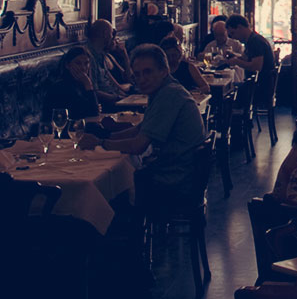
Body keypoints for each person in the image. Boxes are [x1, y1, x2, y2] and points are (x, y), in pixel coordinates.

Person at [79, 43, 205, 207]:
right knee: (118, 176)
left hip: (176, 180)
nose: (142, 80)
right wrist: (106, 136)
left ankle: (126, 229)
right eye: (137, 75)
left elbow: (138, 145)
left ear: (164, 70)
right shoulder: (163, 90)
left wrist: (100, 143)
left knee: (114, 188)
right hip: (183, 171)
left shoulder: (169, 95)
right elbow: (140, 129)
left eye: (148, 72)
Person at [227, 14, 276, 106]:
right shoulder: (253, 39)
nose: (233, 37)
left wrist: (236, 62)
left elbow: (256, 67)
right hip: (260, 85)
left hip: (260, 88)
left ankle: (235, 118)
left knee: (228, 94)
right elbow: (249, 60)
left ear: (240, 27)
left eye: (233, 33)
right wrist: (236, 56)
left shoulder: (255, 42)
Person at [44, 46, 101, 119]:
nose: (83, 68)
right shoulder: (61, 87)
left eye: (86, 63)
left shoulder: (80, 83)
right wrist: (88, 85)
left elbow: (91, 110)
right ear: (67, 65)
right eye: (78, 63)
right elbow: (93, 114)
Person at [85, 18, 129, 107]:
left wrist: (126, 97)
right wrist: (118, 98)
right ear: (105, 34)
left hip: (114, 99)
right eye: (111, 34)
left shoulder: (101, 54)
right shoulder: (88, 57)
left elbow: (118, 84)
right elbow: (94, 92)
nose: (113, 38)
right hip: (105, 105)